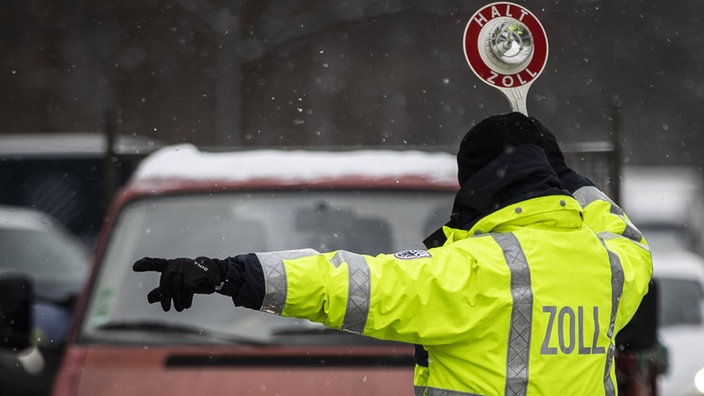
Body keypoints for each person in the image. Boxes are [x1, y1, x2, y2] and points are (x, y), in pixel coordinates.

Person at [133, 112, 652, 395]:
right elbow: (624, 233)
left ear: (474, 186)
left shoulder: (471, 272)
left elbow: (343, 282)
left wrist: (227, 273)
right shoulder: (610, 264)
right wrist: (567, 176)